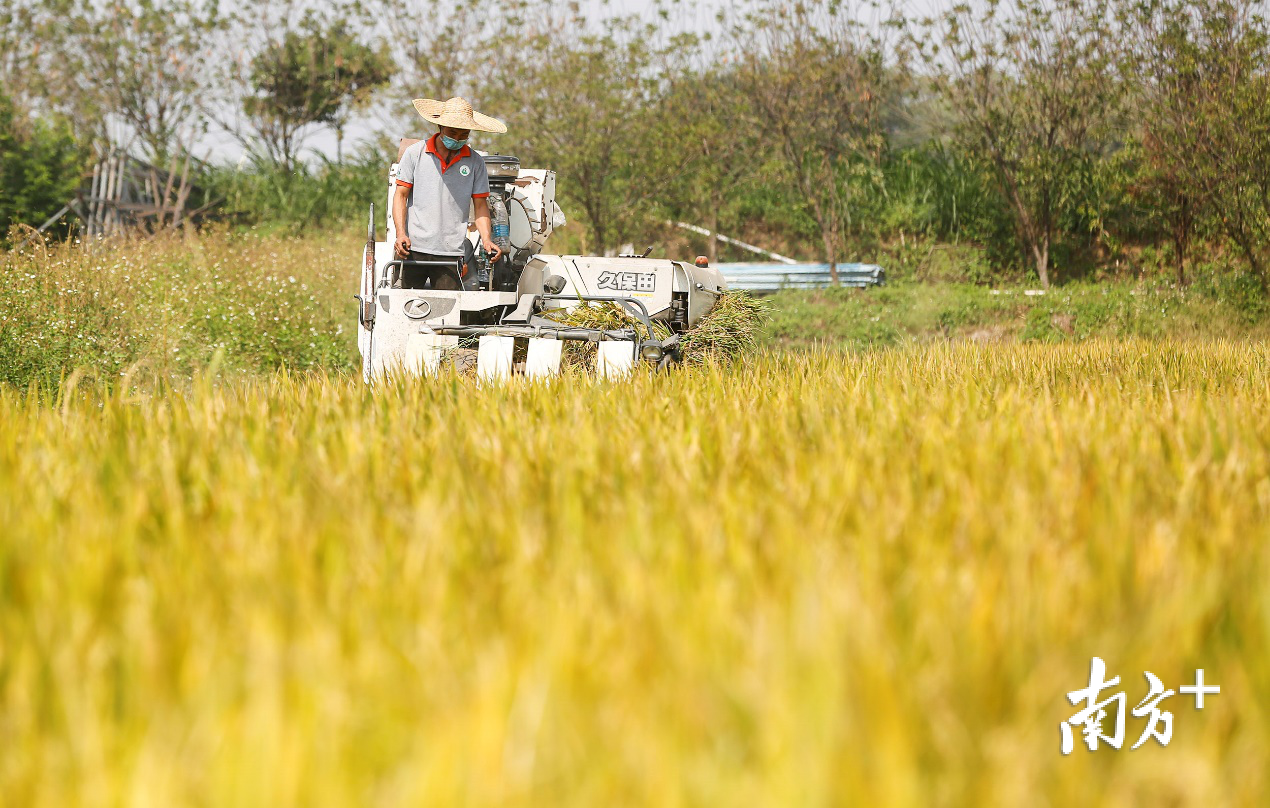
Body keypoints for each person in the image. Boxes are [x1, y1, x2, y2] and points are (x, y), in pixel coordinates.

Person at [392, 96, 507, 289]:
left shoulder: (475, 162)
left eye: (463, 135)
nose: (457, 139)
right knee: (406, 308)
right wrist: (401, 234)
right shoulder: (415, 154)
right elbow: (400, 195)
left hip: (450, 252)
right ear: (440, 127)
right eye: (452, 133)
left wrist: (487, 240)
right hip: (413, 248)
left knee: (448, 313)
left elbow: (480, 206)